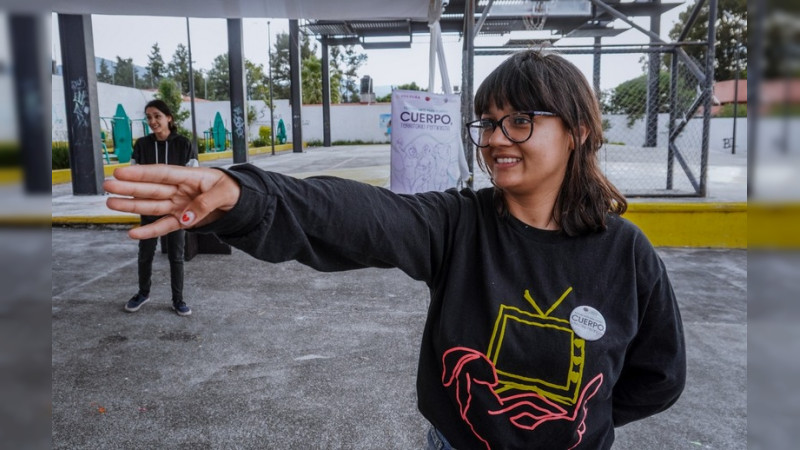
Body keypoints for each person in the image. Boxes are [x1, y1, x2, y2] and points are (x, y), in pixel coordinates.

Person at [104, 51, 685, 448]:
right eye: (487, 122)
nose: (494, 139)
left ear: (578, 131)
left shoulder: (626, 252)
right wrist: (246, 196)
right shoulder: (458, 224)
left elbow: (659, 376)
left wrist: (579, 421)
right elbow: (360, 215)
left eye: (519, 121)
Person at [122, 99, 198, 317]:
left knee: (176, 255)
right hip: (149, 208)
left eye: (157, 116)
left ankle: (178, 300)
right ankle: (143, 293)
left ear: (168, 118)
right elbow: (134, 174)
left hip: (176, 210)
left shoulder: (183, 144)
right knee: (145, 254)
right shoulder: (142, 144)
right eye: (149, 117)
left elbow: (193, 177)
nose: (153, 121)